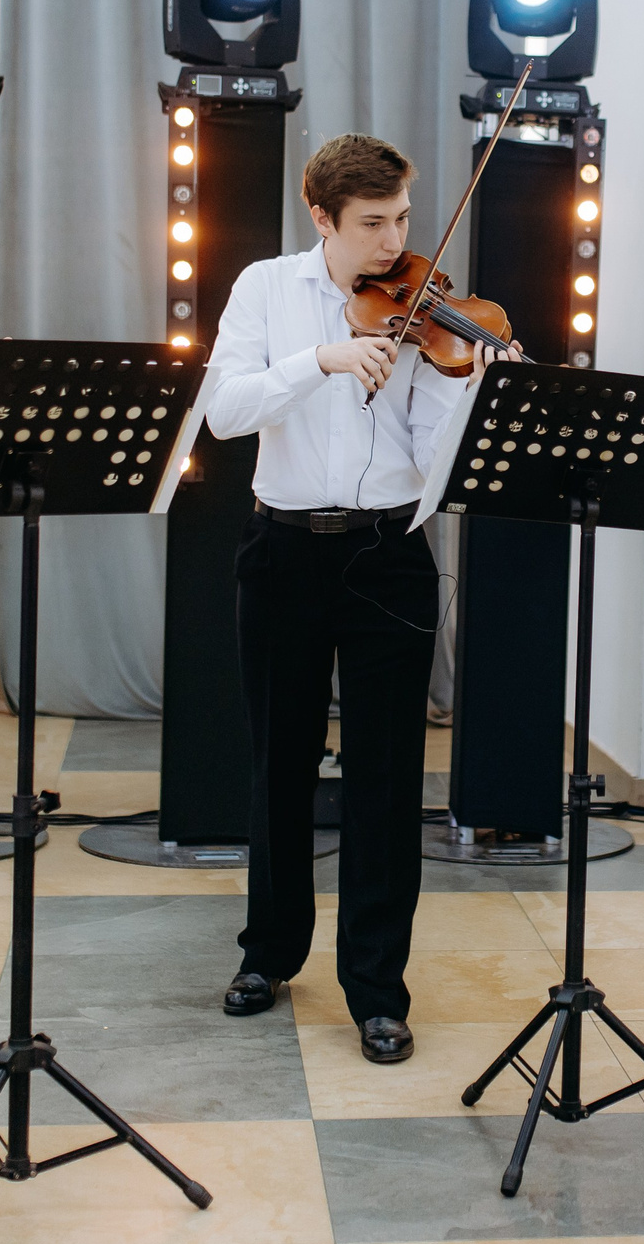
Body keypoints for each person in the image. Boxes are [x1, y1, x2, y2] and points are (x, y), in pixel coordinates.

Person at [202, 134, 514, 1065]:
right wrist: (325, 360)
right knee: (279, 762)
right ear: (324, 219)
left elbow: (427, 450)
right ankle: (270, 952)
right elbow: (224, 410)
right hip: (284, 547)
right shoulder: (265, 289)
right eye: (373, 224)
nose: (393, 243)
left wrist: (467, 387)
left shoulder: (424, 313)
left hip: (388, 554)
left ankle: (378, 987)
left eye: (403, 221)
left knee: (386, 778)